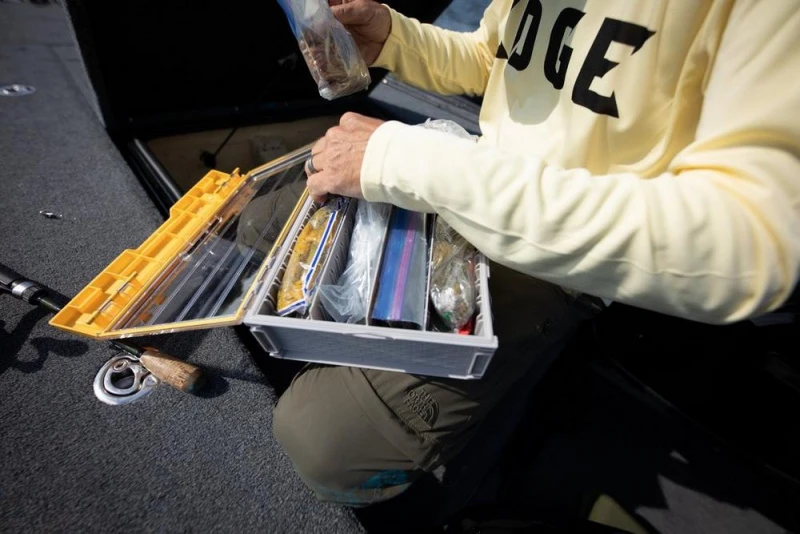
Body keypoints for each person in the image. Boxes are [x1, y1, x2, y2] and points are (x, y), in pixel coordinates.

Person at [274, 0, 800, 507]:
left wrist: (406, 162)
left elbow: (749, 245)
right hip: (468, 175)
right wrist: (397, 39)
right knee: (266, 221)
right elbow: (494, 57)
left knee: (323, 438)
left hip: (564, 255)